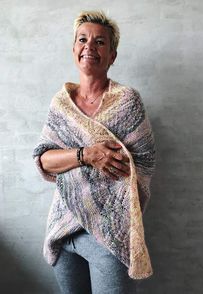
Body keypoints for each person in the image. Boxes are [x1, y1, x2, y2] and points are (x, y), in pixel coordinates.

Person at [33, 10, 156, 294]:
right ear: (74, 49)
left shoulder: (127, 102)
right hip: (64, 230)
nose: (90, 46)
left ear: (112, 55)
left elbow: (145, 163)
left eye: (100, 42)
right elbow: (43, 159)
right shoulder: (61, 105)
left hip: (110, 234)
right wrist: (86, 155)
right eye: (83, 39)